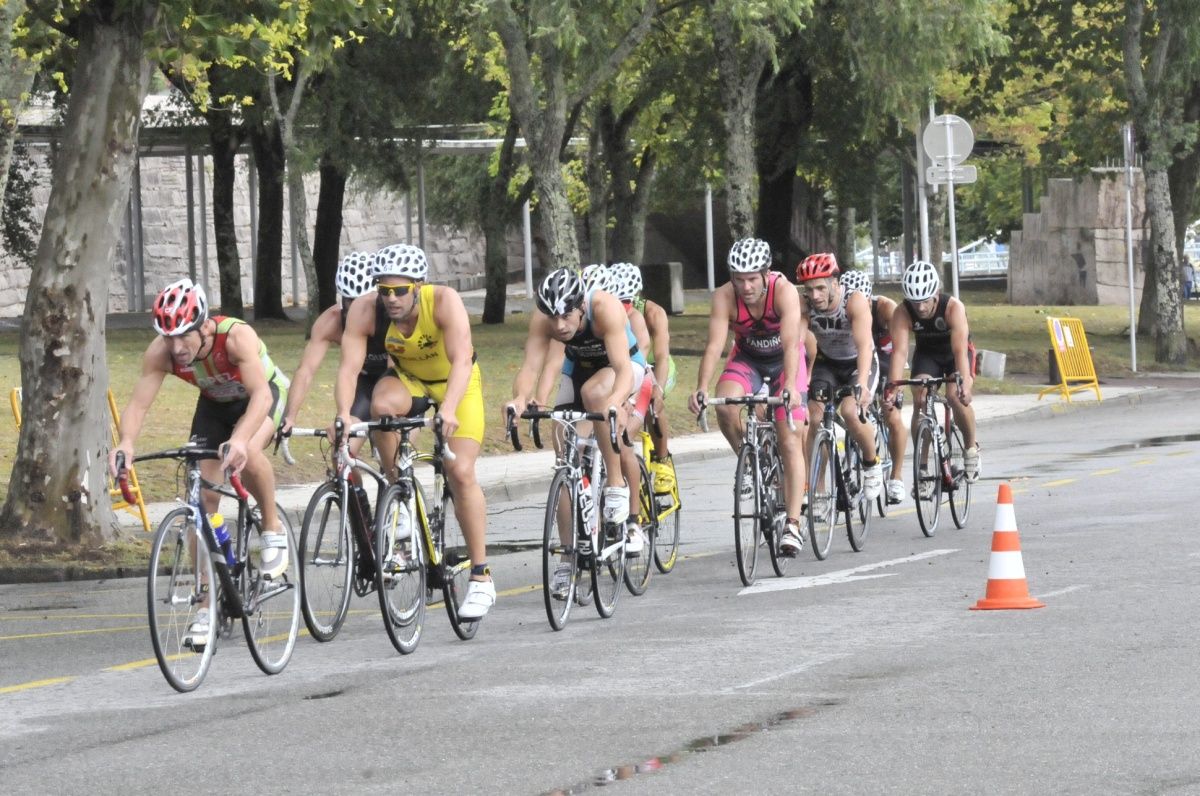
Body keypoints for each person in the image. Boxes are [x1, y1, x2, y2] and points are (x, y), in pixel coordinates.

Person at [109, 278, 292, 648]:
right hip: (215, 406)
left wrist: (240, 439)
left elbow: (260, 397)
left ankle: (272, 527)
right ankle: (206, 606)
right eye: (168, 337)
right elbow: (138, 405)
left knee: (248, 452)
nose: (176, 348)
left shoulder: (235, 337)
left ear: (203, 325)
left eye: (183, 337)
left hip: (263, 397)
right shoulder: (161, 352)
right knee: (200, 505)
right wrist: (126, 443)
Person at [334, 243, 495, 620]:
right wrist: (344, 413)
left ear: (418, 286)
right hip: (412, 381)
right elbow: (348, 369)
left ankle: (481, 576)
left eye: (399, 291)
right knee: (381, 407)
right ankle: (400, 495)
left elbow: (460, 361)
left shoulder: (443, 301)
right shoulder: (364, 310)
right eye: (383, 290)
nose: (390, 299)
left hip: (458, 383)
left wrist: (450, 409)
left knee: (460, 471)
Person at [509, 267, 649, 597]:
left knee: (596, 396)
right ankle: (567, 557)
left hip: (623, 368)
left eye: (566, 315)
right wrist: (519, 399)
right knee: (564, 460)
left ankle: (615, 486)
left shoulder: (604, 307)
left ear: (581, 306)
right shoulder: (545, 321)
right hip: (580, 370)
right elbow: (530, 367)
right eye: (552, 316)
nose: (559, 325)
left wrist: (617, 402)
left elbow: (623, 371)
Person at [687, 238, 808, 556]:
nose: (745, 286)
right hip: (748, 360)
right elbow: (715, 345)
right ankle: (750, 458)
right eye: (739, 279)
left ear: (766, 274)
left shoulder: (784, 291)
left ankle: (793, 524)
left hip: (786, 362)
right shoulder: (725, 297)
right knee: (725, 406)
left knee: (790, 439)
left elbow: (792, 341)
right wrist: (700, 386)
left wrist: (792, 386)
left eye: (752, 278)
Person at [279, 251, 386, 460]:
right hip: (362, 384)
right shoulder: (330, 321)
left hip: (393, 381)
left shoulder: (392, 317)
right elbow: (306, 371)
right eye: (351, 302)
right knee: (341, 451)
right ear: (342, 298)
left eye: (365, 302)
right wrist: (289, 417)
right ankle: (354, 493)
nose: (358, 310)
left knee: (393, 458)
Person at [797, 253, 883, 506]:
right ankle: (817, 488)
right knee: (814, 418)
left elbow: (865, 345)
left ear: (836, 283)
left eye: (821, 288)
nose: (815, 296)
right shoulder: (805, 306)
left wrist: (863, 385)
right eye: (809, 289)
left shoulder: (853, 302)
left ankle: (870, 461)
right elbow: (796, 342)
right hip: (829, 363)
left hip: (859, 362)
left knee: (851, 412)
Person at [886, 260, 980, 490]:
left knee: (955, 397)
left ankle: (970, 449)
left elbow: (959, 351)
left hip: (955, 353)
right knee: (920, 399)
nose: (920, 308)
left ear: (936, 293)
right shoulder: (902, 312)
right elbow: (899, 353)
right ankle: (922, 466)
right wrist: (893, 389)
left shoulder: (952, 308)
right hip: (928, 355)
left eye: (925, 301)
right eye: (914, 302)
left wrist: (965, 385)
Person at [839, 269, 907, 504]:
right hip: (859, 357)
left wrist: (894, 385)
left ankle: (896, 477)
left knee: (891, 413)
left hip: (886, 356)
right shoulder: (844, 310)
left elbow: (900, 348)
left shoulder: (886, 309)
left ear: (870, 299)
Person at [610, 262, 676, 497]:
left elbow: (660, 356)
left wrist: (657, 388)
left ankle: (662, 458)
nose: (622, 306)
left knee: (655, 404)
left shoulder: (652, 313)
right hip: (625, 367)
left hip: (656, 364)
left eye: (626, 301)